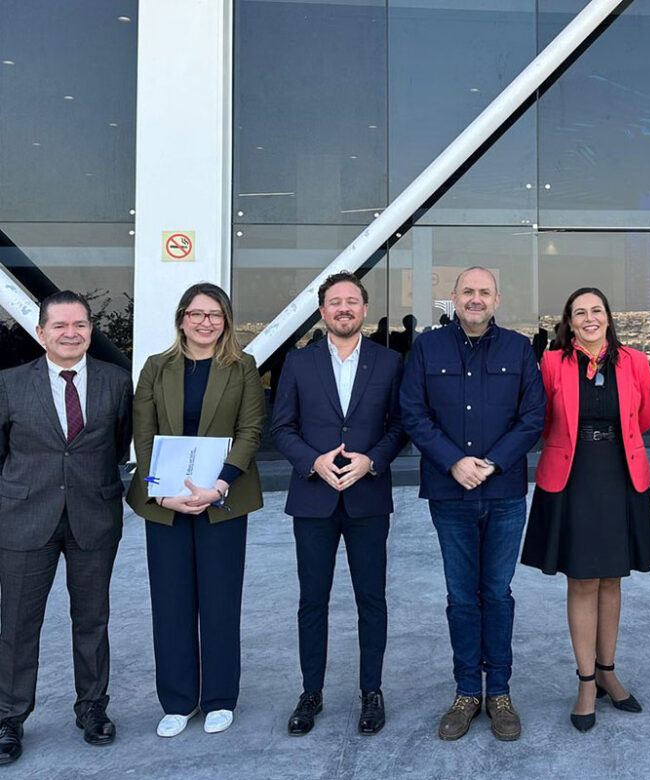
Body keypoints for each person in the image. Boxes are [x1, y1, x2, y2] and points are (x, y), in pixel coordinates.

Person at [401, 266, 545, 742]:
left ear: (497, 300)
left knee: (497, 595)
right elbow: (413, 413)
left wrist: (493, 463)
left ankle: (499, 693)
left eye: (484, 292)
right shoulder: (427, 348)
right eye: (468, 291)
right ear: (453, 298)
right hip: (450, 494)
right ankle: (467, 692)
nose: (476, 299)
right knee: (462, 596)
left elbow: (532, 417)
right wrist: (453, 462)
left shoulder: (519, 349)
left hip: (502, 493)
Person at [270, 271, 408, 737]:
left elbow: (401, 426)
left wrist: (374, 461)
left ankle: (373, 690)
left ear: (364, 309)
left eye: (352, 301)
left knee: (372, 600)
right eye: (334, 302)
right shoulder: (298, 362)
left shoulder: (389, 362)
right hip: (314, 500)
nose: (343, 308)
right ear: (323, 311)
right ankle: (312, 691)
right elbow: (281, 428)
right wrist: (313, 461)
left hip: (368, 499)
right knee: (313, 601)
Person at [520, 287, 650, 733]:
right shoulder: (552, 363)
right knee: (583, 580)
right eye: (579, 312)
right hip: (572, 474)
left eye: (596, 310)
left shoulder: (635, 361)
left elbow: (646, 417)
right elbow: (541, 420)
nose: (589, 318)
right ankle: (586, 681)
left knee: (612, 579)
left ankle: (608, 672)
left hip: (620, 474)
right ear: (569, 320)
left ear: (608, 317)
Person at [125, 283, 265, 738]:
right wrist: (161, 493)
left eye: (216, 315)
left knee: (221, 601)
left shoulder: (242, 368)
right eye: (197, 313)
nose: (206, 322)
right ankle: (179, 700)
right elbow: (142, 436)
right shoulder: (155, 368)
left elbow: (250, 430)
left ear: (225, 321)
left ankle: (221, 697)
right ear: (181, 318)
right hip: (165, 504)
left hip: (221, 501)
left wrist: (218, 485)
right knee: (171, 603)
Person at [0, 292, 132, 765]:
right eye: (59, 325)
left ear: (90, 331)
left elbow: (118, 444)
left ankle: (92, 708)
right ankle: (9, 717)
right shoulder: (10, 385)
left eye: (79, 324)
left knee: (92, 619)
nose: (70, 332)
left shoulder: (117, 382)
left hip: (93, 517)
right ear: (41, 333)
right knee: (16, 624)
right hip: (24, 519)